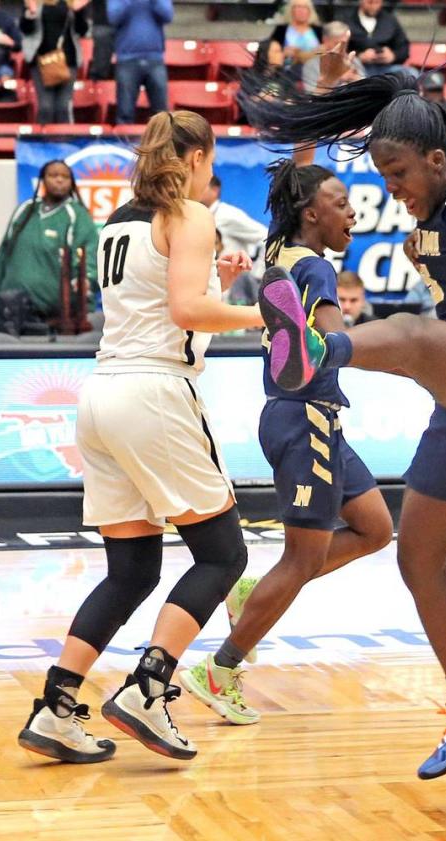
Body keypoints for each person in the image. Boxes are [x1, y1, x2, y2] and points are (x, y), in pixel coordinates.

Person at [240, 34, 446, 778]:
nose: (391, 189)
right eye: (382, 175)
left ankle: (323, 350)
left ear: (439, 161)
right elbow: (305, 184)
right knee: (417, 557)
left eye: (397, 174)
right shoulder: (428, 223)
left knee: (417, 335)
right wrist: (325, 86)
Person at [16, 111, 265, 764]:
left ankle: (56, 706)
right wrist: (264, 313)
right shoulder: (191, 213)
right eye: (210, 161)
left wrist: (225, 289)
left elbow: (164, 303)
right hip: (154, 393)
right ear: (200, 156)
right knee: (223, 554)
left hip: (100, 394)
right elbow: (184, 312)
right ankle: (148, 688)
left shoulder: (119, 221)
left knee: (131, 571)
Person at [178, 155, 393, 719]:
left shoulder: (282, 252)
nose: (351, 211)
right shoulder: (318, 271)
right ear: (310, 211)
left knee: (376, 528)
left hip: (307, 416)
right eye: (340, 202)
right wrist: (405, 342)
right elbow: (337, 334)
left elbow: (291, 181)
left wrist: (320, 96)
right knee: (303, 560)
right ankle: (219, 669)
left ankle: (253, 591)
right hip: (306, 418)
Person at [0, 159, 99, 327]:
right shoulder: (24, 210)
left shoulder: (77, 216)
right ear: (42, 179)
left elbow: (89, 262)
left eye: (65, 176)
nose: (59, 180)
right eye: (53, 175)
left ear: (72, 182)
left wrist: (84, 300)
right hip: (10, 308)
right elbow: (3, 253)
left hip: (55, 316)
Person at [20, 0, 90, 125]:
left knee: (63, 107)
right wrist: (30, 12)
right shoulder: (35, 2)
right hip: (41, 61)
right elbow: (25, 29)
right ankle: (43, 142)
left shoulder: (73, 2)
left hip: (68, 60)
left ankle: (65, 141)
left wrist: (77, 12)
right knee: (45, 107)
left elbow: (82, 30)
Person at [108, 0, 172, 125]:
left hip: (155, 59)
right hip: (127, 60)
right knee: (125, 112)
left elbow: (167, 15)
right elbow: (114, 18)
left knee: (162, 114)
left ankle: (163, 144)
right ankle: (123, 143)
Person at [200, 174, 267, 260]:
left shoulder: (227, 214)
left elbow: (264, 236)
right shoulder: (202, 216)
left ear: (215, 190)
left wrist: (257, 271)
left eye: (203, 186)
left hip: (234, 272)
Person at [342, 0, 410, 78]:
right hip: (358, 68)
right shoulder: (347, 20)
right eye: (370, 2)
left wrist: (393, 56)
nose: (373, 6)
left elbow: (404, 47)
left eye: (377, 2)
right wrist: (359, 56)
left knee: (411, 73)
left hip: (386, 68)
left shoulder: (390, 20)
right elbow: (339, 47)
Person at [263, 0, 322, 79]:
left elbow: (324, 52)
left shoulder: (318, 30)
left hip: (315, 74)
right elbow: (274, 54)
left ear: (310, 11)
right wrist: (284, 53)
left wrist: (299, 54)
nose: (301, 10)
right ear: (291, 10)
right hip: (287, 73)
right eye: (298, 7)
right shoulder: (281, 30)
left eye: (305, 7)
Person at [301, 20, 364, 93]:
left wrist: (356, 79)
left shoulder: (354, 60)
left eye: (345, 44)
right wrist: (337, 79)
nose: (342, 48)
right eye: (337, 43)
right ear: (325, 40)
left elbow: (367, 88)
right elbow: (312, 95)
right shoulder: (311, 65)